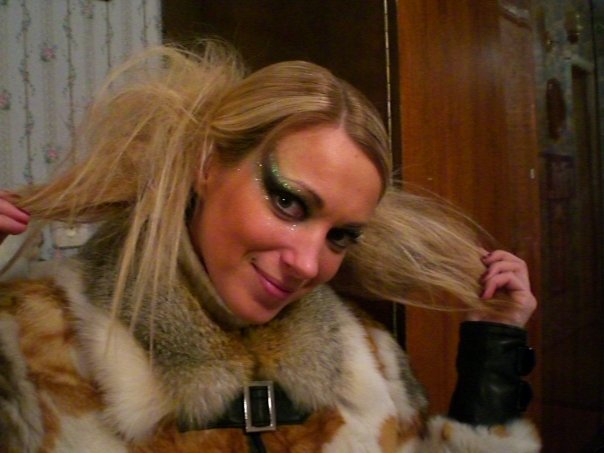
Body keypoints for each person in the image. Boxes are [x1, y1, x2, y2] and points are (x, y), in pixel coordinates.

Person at [0, 42, 539, 452]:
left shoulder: (366, 363)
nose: (307, 264)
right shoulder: (33, 343)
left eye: (340, 236)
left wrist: (492, 354)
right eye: (288, 203)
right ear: (207, 165)